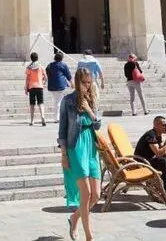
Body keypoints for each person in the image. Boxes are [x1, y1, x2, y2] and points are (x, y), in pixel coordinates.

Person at [59, 67, 102, 241]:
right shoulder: (67, 101)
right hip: (75, 147)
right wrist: (64, 154)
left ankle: (74, 217)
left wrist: (89, 110)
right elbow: (62, 130)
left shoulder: (92, 98)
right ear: (77, 82)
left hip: (91, 145)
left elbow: (97, 125)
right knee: (86, 195)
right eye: (84, 83)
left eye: (89, 82)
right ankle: (89, 237)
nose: (87, 86)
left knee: (96, 195)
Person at [133, 115, 166, 202]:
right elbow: (158, 153)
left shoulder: (158, 135)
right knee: (162, 161)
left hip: (150, 159)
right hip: (143, 163)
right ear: (156, 125)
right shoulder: (150, 135)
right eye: (164, 125)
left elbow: (162, 148)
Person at [46, 52, 72, 123]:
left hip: (52, 85)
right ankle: (57, 118)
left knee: (56, 101)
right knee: (58, 102)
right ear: (62, 58)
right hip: (60, 85)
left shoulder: (50, 65)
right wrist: (71, 83)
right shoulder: (63, 65)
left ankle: (57, 117)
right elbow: (68, 75)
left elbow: (47, 72)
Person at [25, 52, 47, 127]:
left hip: (31, 87)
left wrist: (26, 88)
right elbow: (46, 77)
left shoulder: (29, 68)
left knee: (32, 104)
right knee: (41, 103)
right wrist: (43, 83)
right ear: (37, 58)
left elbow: (27, 79)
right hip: (39, 86)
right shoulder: (41, 67)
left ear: (31, 58)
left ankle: (32, 120)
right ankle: (42, 116)